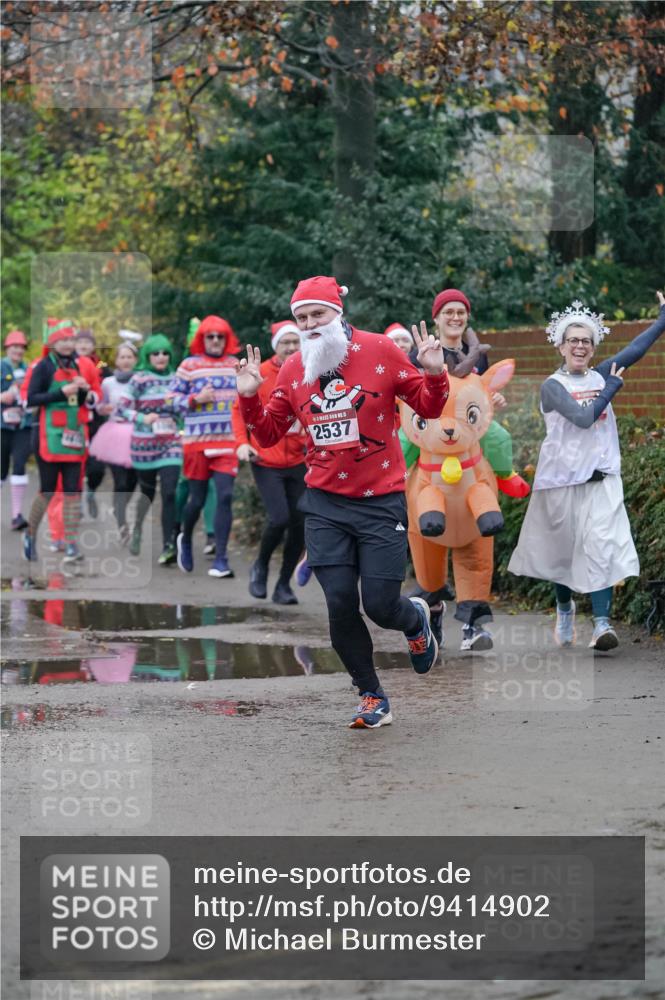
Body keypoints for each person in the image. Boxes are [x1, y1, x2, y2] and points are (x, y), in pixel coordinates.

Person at [236, 275, 449, 729]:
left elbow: (428, 410)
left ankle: (415, 619)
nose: (311, 324)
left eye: (318, 314)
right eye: (302, 317)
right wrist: (250, 399)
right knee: (337, 602)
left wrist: (433, 371)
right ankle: (371, 694)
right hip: (325, 503)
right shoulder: (295, 368)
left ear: (338, 313)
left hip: (381, 500)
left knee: (379, 604)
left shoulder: (380, 351)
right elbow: (270, 434)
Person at [508, 291, 665, 651]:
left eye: (587, 341)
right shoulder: (553, 386)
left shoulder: (599, 373)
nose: (580, 346)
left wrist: (662, 320)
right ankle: (564, 608)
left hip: (601, 479)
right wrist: (611, 386)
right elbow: (582, 418)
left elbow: (635, 351)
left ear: (593, 348)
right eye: (573, 340)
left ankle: (601, 624)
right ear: (561, 347)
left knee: (601, 546)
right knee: (563, 554)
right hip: (561, 482)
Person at [232, 320, 308, 604]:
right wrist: (241, 443)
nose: (291, 347)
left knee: (300, 523)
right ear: (276, 346)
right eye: (285, 343)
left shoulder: (310, 370)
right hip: (266, 458)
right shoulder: (260, 373)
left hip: (301, 460)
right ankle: (260, 565)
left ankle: (283, 585)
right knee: (280, 517)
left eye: (295, 342)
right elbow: (238, 410)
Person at [169, 315, 241, 579]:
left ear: (226, 339)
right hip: (196, 443)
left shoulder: (235, 364)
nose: (214, 341)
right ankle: (185, 538)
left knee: (224, 496)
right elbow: (170, 401)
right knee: (196, 500)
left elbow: (247, 398)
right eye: (209, 336)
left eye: (219, 336)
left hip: (227, 442)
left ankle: (221, 558)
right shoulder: (189, 365)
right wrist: (195, 398)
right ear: (202, 339)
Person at [23, 319, 93, 563]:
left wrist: (83, 390)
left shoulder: (76, 365)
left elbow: (81, 401)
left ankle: (71, 542)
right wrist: (60, 393)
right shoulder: (43, 367)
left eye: (70, 339)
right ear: (52, 343)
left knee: (73, 492)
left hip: (73, 436)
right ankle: (30, 535)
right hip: (48, 436)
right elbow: (31, 399)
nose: (67, 344)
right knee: (48, 490)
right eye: (62, 340)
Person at [114, 334, 182, 564]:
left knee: (170, 492)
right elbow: (121, 408)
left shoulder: (176, 378)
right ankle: (138, 529)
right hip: (144, 446)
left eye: (165, 353)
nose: (161, 357)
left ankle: (168, 545)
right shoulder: (139, 379)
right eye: (156, 353)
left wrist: (181, 425)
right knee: (147, 493)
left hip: (171, 444)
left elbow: (183, 407)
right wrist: (143, 417)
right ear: (148, 356)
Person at [89, 340, 139, 542]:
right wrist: (103, 409)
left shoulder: (140, 380)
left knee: (134, 480)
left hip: (137, 434)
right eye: (122, 357)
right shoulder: (108, 383)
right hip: (114, 434)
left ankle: (120, 507)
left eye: (129, 357)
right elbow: (99, 406)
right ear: (117, 360)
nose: (125, 361)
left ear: (135, 360)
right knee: (121, 481)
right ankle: (121, 522)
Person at [74, 329, 109, 517]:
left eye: (87, 342)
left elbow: (111, 386)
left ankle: (91, 491)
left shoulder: (101, 364)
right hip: (75, 422)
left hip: (97, 422)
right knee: (75, 465)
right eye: (80, 342)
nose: (83, 346)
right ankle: (76, 501)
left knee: (97, 468)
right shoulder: (67, 365)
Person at [1, 330, 31, 529]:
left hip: (23, 425)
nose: (18, 350)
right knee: (1, 470)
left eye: (21, 347)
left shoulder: (29, 370)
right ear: (7, 348)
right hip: (2, 425)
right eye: (15, 346)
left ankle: (16, 515)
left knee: (19, 465)